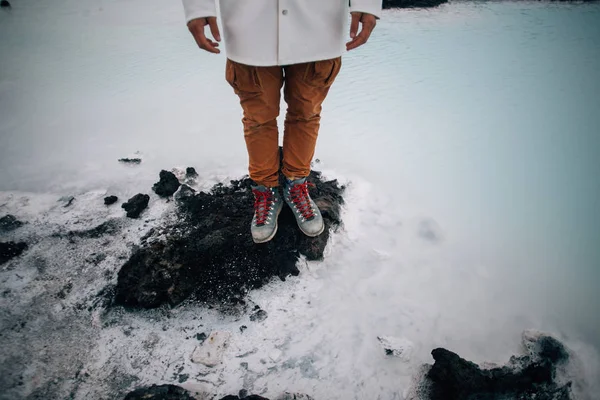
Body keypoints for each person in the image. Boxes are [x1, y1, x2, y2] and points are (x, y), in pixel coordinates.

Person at [183, 1, 381, 243]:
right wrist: (197, 8)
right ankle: (265, 190)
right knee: (258, 118)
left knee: (306, 114)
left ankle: (296, 184)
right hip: (249, 25)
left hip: (319, 24)